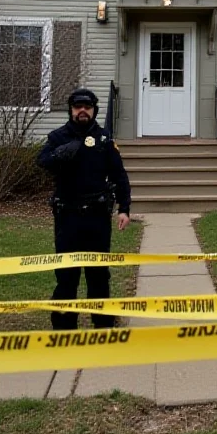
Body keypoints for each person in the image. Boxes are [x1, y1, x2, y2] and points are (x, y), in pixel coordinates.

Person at [37, 88, 131, 330]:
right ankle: (64, 327)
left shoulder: (104, 139)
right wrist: (59, 155)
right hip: (67, 216)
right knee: (67, 275)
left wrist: (124, 208)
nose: (82, 111)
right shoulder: (58, 136)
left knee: (98, 274)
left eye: (87, 107)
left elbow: (120, 176)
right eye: (78, 107)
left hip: (97, 217)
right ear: (71, 110)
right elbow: (42, 161)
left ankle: (102, 324)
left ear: (93, 110)